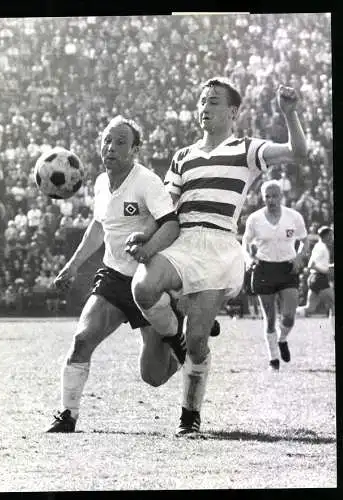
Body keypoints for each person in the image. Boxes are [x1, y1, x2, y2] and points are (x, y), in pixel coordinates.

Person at [131, 77, 307, 436]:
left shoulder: (245, 149)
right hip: (184, 240)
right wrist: (145, 236)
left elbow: (297, 151)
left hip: (219, 246)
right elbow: (165, 209)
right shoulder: (184, 155)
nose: (204, 108)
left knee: (198, 340)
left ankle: (189, 415)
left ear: (232, 111)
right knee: (144, 288)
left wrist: (289, 114)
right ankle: (173, 338)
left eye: (213, 102)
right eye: (201, 101)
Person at [46, 115, 185, 433]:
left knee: (153, 377)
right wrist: (73, 265)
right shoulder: (98, 182)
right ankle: (68, 415)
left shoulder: (147, 181)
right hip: (113, 278)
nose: (111, 147)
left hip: (148, 282)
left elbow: (171, 223)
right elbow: (98, 227)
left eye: (121, 142)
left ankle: (183, 340)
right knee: (82, 339)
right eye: (107, 140)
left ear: (135, 149)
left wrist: (148, 251)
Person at [242, 180, 309, 370]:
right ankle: (273, 359)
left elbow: (305, 242)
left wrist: (299, 258)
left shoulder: (294, 217)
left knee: (288, 317)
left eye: (274, 196)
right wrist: (249, 259)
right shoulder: (254, 219)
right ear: (262, 198)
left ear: (281, 196)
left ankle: (283, 339)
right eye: (267, 197)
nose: (270, 200)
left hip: (288, 269)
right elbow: (245, 243)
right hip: (264, 269)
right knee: (270, 318)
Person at [296, 226, 334, 336]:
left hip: (315, 278)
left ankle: (289, 313)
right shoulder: (322, 248)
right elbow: (311, 265)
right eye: (331, 235)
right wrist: (325, 270)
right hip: (319, 278)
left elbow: (316, 264)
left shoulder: (319, 246)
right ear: (326, 236)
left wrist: (328, 267)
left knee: (310, 308)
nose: (332, 237)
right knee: (334, 304)